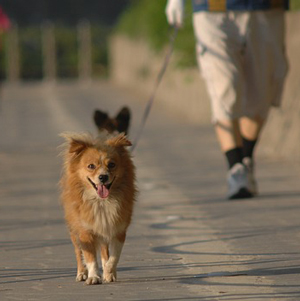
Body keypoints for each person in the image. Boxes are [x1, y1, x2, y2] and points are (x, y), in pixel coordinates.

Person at [165, 0, 289, 199]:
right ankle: (235, 169)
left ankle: (245, 159)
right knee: (224, 86)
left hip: (267, 8)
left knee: (261, 95)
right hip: (212, 10)